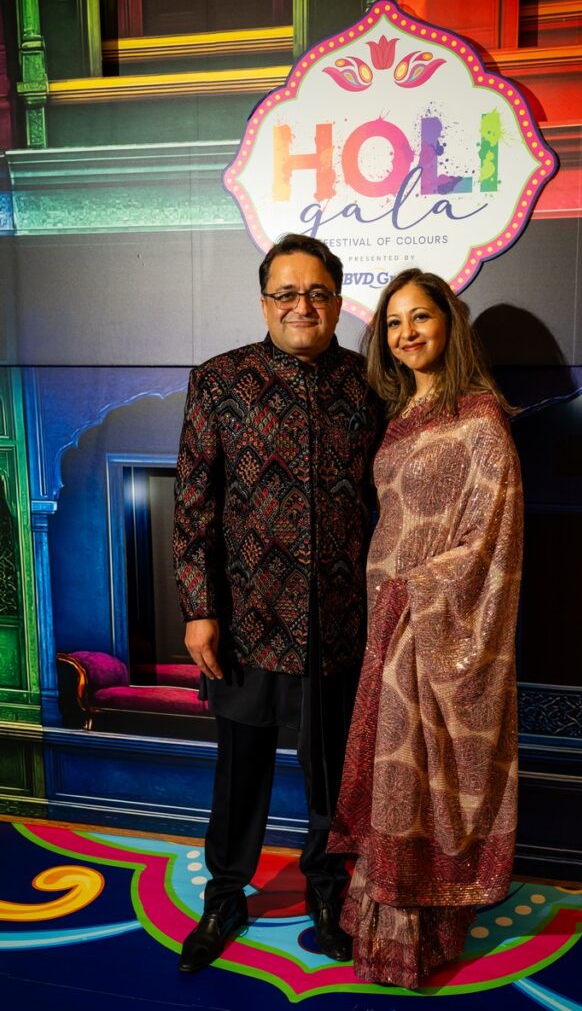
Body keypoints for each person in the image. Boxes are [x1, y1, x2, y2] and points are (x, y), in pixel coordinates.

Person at [173, 233, 382, 973]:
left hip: (340, 620)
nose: (302, 306)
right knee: (240, 772)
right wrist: (199, 607)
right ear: (264, 302)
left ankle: (328, 891)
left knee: (333, 775)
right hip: (246, 619)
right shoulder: (219, 380)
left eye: (317, 293)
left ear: (338, 301)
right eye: (286, 293)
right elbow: (193, 503)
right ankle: (225, 896)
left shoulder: (369, 385)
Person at [327, 268, 523, 989]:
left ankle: (421, 936)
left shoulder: (479, 419)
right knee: (390, 777)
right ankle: (381, 923)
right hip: (385, 620)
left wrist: (416, 591)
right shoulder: (397, 416)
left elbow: (492, 538)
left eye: (420, 317)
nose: (406, 333)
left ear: (449, 323)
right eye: (393, 322)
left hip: (430, 621)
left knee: (417, 776)